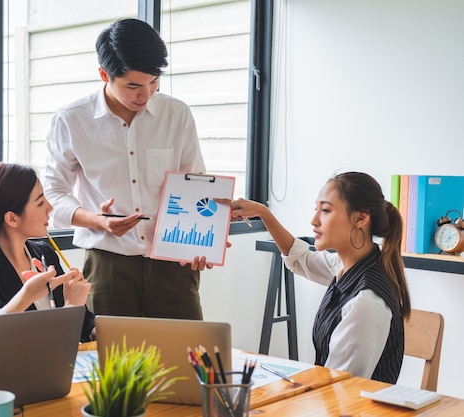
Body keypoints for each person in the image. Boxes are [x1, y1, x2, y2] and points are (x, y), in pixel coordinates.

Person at [44, 18, 211, 319]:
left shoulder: (177, 114)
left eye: (154, 82)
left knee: (185, 360)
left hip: (173, 263)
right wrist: (96, 220)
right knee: (110, 360)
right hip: (108, 265)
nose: (145, 95)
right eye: (133, 85)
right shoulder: (71, 120)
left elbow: (195, 185)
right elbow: (53, 193)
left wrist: (204, 237)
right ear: (104, 74)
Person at [216, 171, 411, 383]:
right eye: (315, 208)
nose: (314, 220)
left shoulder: (365, 302)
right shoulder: (349, 266)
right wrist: (264, 214)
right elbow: (302, 259)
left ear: (360, 218)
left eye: (326, 210)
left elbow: (339, 387)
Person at [0, 162, 95, 342]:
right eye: (40, 202)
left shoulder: (44, 253)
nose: (50, 207)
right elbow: (0, 341)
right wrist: (71, 307)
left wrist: (98, 331)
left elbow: (83, 322)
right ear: (12, 218)